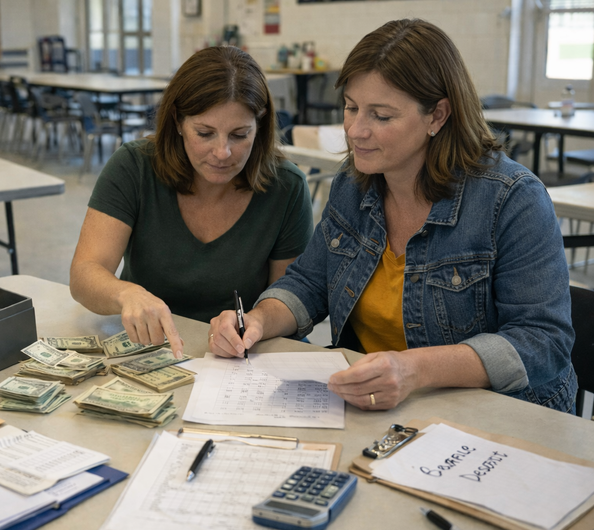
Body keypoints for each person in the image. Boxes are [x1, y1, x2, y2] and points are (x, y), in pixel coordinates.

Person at [208, 19, 577, 413]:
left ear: (437, 116)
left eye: (381, 116)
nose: (356, 130)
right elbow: (309, 283)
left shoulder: (511, 200)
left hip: (498, 415)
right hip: (380, 406)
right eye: (350, 108)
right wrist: (259, 320)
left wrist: (413, 369)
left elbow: (542, 341)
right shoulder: (355, 185)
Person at [69, 46, 314, 359]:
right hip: (150, 349)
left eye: (240, 135)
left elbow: (289, 296)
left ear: (261, 126)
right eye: (205, 133)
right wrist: (125, 293)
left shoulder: (286, 185)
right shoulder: (134, 166)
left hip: (242, 356)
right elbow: (84, 273)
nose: (222, 152)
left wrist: (255, 322)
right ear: (178, 121)